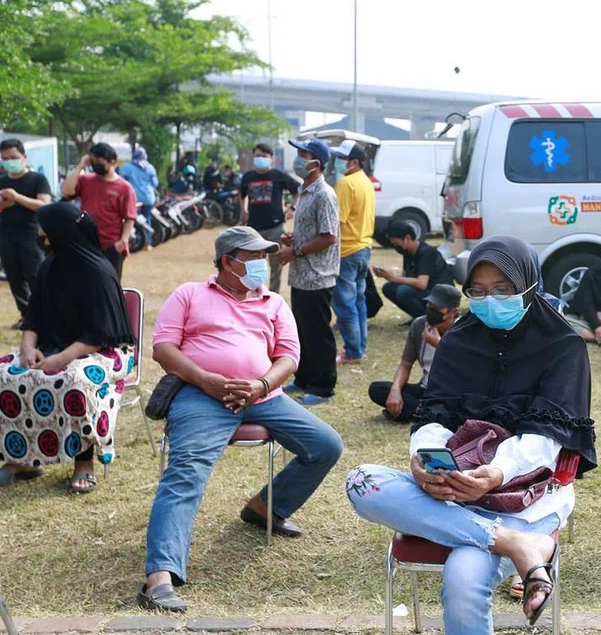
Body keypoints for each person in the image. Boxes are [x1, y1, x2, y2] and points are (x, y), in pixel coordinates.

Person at [347, 235, 597, 634]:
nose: (489, 301)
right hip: (453, 491)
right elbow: (435, 414)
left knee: (463, 580)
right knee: (361, 481)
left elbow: (546, 437)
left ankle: (514, 536)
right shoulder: (459, 341)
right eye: (477, 292)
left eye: (503, 290)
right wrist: (427, 460)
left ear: (529, 287)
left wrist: (496, 473)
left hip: (520, 495)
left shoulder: (562, 347)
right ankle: (516, 545)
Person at [138, 226, 344, 613]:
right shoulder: (190, 294)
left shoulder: (273, 303)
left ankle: (266, 508)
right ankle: (160, 577)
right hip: (202, 396)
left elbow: (289, 357)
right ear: (227, 261)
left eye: (263, 257)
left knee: (326, 445)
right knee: (186, 472)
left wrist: (261, 383)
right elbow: (163, 348)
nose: (260, 264)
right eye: (251, 257)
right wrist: (205, 380)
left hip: (263, 395)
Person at [0, 203, 135, 492]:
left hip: (104, 351)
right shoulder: (50, 266)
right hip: (54, 345)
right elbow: (34, 316)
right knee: (6, 374)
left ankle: (83, 461)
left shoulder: (98, 272)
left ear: (60, 232)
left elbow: (101, 333)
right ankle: (23, 458)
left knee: (75, 380)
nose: (39, 233)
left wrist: (61, 358)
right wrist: (28, 348)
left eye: (44, 228)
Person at [276, 138, 340, 406]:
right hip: (302, 275)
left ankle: (323, 386)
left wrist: (296, 252)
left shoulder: (325, 195)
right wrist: (294, 240)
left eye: (303, 154)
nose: (298, 159)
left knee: (318, 333)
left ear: (316, 162)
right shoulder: (305, 191)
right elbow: (312, 231)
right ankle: (304, 378)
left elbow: (329, 237)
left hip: (318, 275)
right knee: (302, 329)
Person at [367, 284, 461, 422]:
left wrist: (439, 346)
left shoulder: (464, 330)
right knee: (377, 389)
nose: (430, 311)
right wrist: (395, 390)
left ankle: (419, 412)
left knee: (463, 403)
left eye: (436, 308)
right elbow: (406, 364)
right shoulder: (419, 325)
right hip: (426, 389)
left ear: (453, 312)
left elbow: (466, 369)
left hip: (453, 392)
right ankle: (426, 412)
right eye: (429, 306)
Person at [61, 143, 138, 279]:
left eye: (98, 162)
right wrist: (80, 166)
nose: (95, 165)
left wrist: (122, 242)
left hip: (110, 245)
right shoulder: (86, 180)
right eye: (92, 161)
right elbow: (67, 192)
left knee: (109, 284)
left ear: (112, 162)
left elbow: (129, 217)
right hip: (86, 243)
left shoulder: (124, 188)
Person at [330, 140, 375, 364]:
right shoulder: (366, 182)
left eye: (341, 158)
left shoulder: (346, 184)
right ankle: (359, 348)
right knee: (358, 301)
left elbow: (336, 221)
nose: (337, 162)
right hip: (364, 248)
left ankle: (353, 351)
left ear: (354, 162)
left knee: (345, 303)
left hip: (347, 251)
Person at [0, 138, 52, 328]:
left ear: (24, 157)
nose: (9, 161)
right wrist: (4, 205)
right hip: (6, 235)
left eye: (14, 157)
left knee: (36, 276)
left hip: (31, 235)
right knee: (14, 277)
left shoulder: (38, 179)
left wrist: (17, 197)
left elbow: (44, 204)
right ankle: (26, 315)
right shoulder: (1, 181)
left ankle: (46, 315)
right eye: (5, 158)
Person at [239, 143, 300, 293]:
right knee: (253, 264)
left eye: (264, 156)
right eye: (258, 156)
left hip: (275, 227)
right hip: (254, 229)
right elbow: (242, 195)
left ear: (271, 159)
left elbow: (298, 190)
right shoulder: (248, 177)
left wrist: (292, 208)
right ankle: (255, 294)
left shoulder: (279, 176)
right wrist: (244, 211)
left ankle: (273, 295)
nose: (260, 159)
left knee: (276, 265)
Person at [374, 220, 454, 320]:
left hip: (440, 294)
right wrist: (387, 275)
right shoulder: (408, 252)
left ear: (407, 238)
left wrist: (393, 278)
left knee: (403, 291)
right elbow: (407, 277)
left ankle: (427, 319)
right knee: (389, 288)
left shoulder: (426, 253)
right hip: (427, 291)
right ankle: (418, 317)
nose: (396, 247)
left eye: (397, 243)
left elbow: (421, 284)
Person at [118, 146, 160, 250]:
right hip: (149, 198)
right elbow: (155, 183)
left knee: (131, 219)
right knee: (147, 218)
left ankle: (131, 242)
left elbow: (119, 177)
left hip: (135, 198)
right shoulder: (150, 167)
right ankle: (148, 243)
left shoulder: (128, 167)